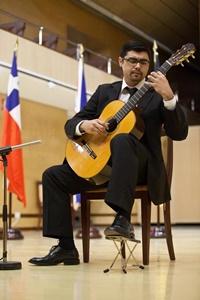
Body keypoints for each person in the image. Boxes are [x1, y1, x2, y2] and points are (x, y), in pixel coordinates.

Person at [29, 40, 188, 266]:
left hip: (140, 167)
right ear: (121, 62)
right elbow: (71, 123)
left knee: (123, 139)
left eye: (143, 62)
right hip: (102, 165)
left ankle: (122, 219)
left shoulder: (156, 95)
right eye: (132, 60)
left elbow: (179, 133)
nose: (137, 66)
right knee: (52, 176)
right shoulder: (105, 92)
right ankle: (65, 247)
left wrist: (169, 97)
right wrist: (84, 126)